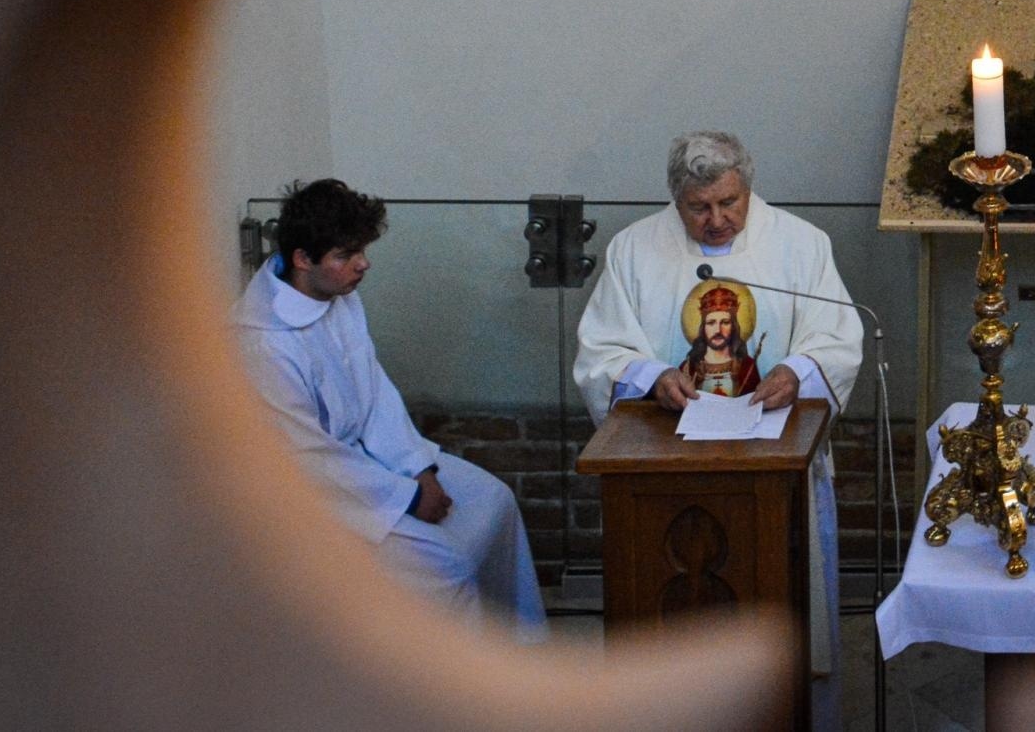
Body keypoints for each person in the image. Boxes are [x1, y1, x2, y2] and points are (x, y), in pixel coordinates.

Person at [574, 132, 862, 725]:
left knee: (786, 612)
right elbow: (599, 350)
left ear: (748, 188)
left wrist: (797, 369)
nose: (717, 220)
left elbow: (837, 337)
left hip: (775, 463)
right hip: (668, 464)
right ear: (675, 200)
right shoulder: (634, 249)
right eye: (698, 208)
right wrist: (653, 375)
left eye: (730, 203)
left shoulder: (801, 245)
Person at [233, 178, 545, 639]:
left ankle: (522, 653)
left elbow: (375, 392)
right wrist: (406, 497)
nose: (364, 264)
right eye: (346, 255)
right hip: (318, 496)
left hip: (368, 461)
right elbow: (308, 462)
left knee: (494, 500)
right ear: (302, 259)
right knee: (446, 566)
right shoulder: (263, 343)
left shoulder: (336, 295)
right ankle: (463, 693)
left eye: (361, 249)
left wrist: (418, 468)